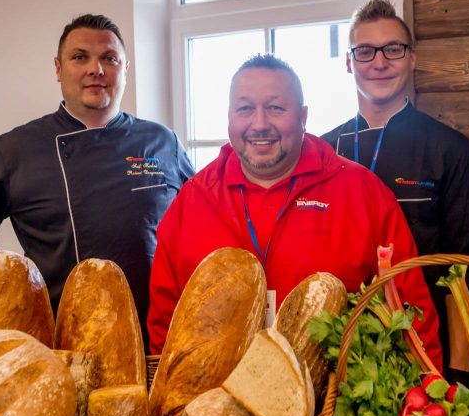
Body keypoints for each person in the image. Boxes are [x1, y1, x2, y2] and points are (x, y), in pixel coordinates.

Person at [147, 53, 442, 366]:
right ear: (230, 116)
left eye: (275, 108)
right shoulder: (192, 201)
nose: (259, 124)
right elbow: (165, 325)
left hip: (331, 403)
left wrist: (424, 396)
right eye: (245, 108)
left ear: (303, 116)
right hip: (215, 404)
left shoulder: (363, 193)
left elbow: (411, 312)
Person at [0, 14, 194, 339]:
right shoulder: (15, 149)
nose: (96, 69)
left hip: (154, 333)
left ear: (125, 68)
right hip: (58, 340)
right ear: (58, 69)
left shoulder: (162, 141)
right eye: (80, 57)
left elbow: (200, 219)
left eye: (109, 58)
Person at [321, 0, 469, 377]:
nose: (379, 63)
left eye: (393, 49)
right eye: (365, 51)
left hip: (421, 349)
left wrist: (458, 372)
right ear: (349, 62)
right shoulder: (322, 150)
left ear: (412, 57)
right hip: (333, 347)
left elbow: (463, 268)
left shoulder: (450, 149)